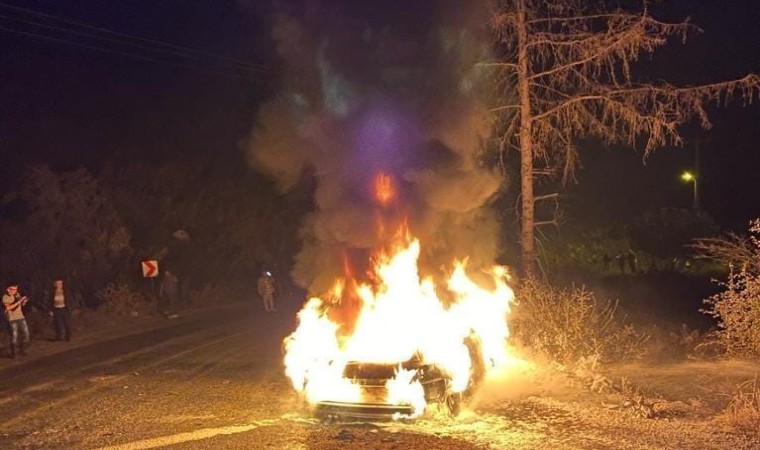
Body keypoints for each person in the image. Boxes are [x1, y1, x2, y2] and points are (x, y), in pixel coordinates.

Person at [3, 284, 30, 358]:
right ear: (8, 289)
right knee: (14, 336)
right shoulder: (5, 297)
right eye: (13, 289)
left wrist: (24, 302)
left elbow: (20, 305)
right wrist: (19, 301)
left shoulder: (17, 295)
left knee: (26, 335)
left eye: (16, 289)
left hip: (21, 317)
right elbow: (9, 307)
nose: (15, 291)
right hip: (12, 319)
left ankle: (22, 350)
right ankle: (14, 353)